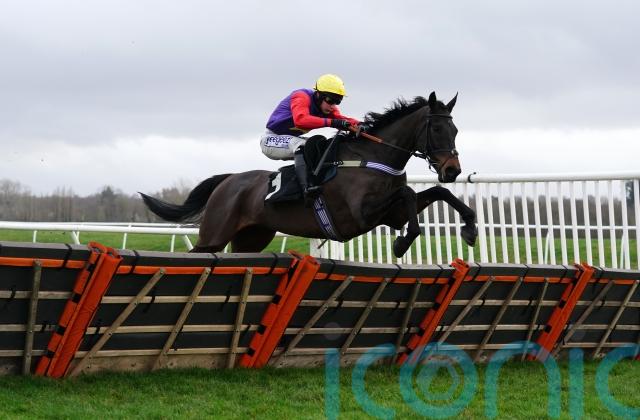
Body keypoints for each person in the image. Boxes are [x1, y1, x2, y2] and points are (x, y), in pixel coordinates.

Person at [260, 74, 362, 201]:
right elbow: (301, 120)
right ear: (318, 95)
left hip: (290, 139)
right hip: (270, 139)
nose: (333, 106)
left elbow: (341, 120)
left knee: (320, 147)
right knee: (301, 146)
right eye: (330, 100)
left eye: (337, 101)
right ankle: (306, 189)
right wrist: (333, 122)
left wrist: (360, 124)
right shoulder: (301, 96)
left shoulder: (327, 107)